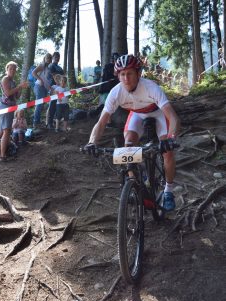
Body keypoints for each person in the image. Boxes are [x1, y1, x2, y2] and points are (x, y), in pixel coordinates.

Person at [85, 54, 181, 211]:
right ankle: (134, 183)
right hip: (137, 114)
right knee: (128, 145)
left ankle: (168, 191)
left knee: (167, 152)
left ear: (138, 73)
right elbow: (102, 121)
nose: (126, 78)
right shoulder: (115, 93)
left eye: (129, 73)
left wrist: (170, 138)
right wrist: (92, 142)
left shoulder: (150, 87)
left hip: (158, 113)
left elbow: (173, 117)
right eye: (122, 74)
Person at [0, 61, 28, 162]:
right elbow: (7, 93)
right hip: (5, 107)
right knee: (6, 131)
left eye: (14, 69)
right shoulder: (5, 79)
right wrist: (19, 87)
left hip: (10, 107)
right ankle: (2, 156)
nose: (12, 71)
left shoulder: (13, 82)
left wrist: (21, 88)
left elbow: (16, 96)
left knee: (0, 132)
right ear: (7, 70)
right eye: (10, 69)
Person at [32, 53, 52, 129]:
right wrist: (40, 80)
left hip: (45, 88)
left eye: (50, 58)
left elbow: (47, 79)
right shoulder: (42, 65)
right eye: (48, 58)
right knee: (39, 104)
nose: (49, 60)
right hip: (39, 86)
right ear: (45, 58)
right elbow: (33, 72)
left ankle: (38, 122)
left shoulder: (48, 67)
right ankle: (35, 123)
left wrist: (49, 87)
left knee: (41, 105)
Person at [46, 52, 64, 129]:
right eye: (56, 56)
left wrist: (63, 85)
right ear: (53, 57)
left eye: (58, 57)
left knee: (59, 104)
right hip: (53, 87)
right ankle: (49, 123)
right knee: (52, 105)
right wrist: (59, 84)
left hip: (60, 87)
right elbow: (54, 77)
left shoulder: (60, 68)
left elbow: (63, 76)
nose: (57, 58)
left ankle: (56, 122)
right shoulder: (51, 66)